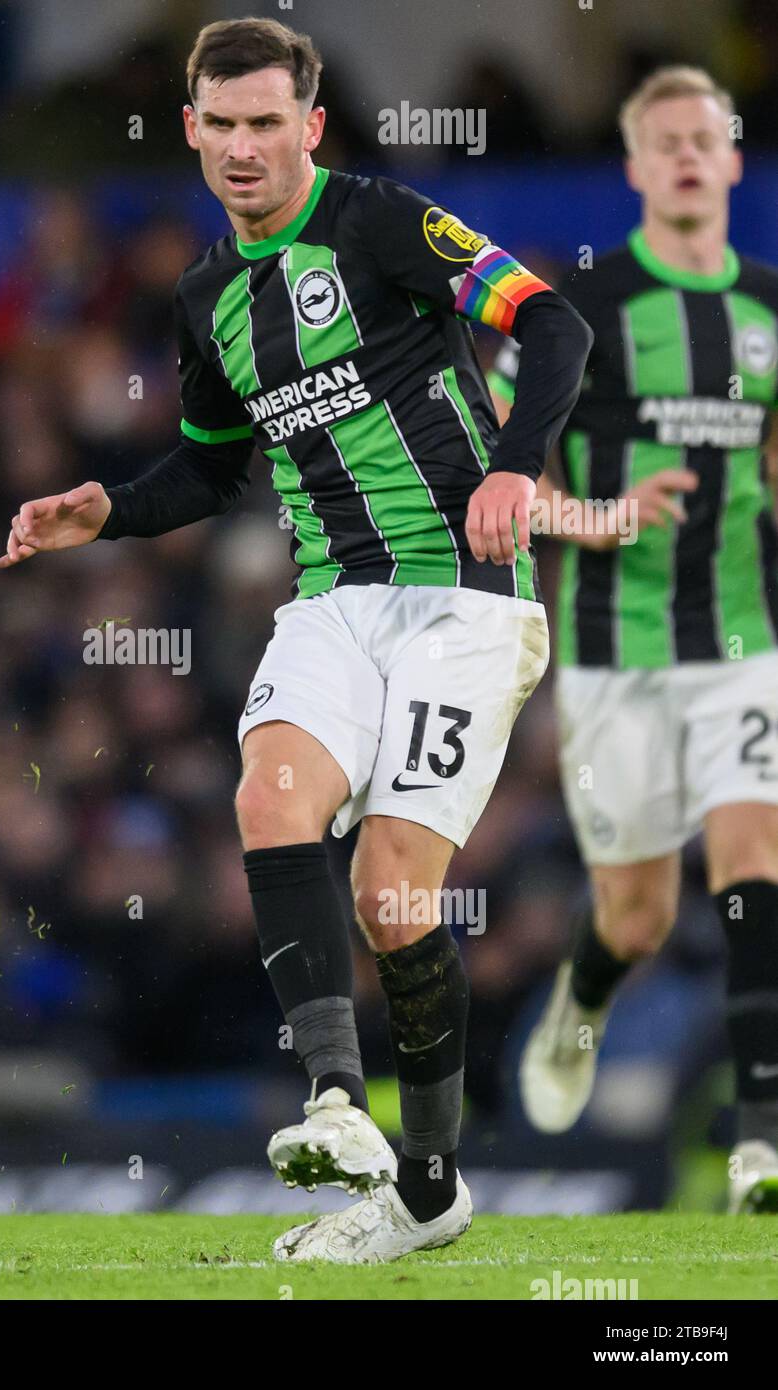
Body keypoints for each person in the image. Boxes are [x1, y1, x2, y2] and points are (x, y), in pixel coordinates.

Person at [0, 17, 590, 1262]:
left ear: (310, 127)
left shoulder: (379, 221)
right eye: (224, 126)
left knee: (389, 888)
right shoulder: (206, 297)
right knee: (271, 797)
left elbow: (554, 326)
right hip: (328, 599)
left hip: (462, 597)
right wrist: (102, 508)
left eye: (270, 123)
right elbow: (211, 470)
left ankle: (426, 1191)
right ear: (193, 134)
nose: (246, 148)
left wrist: (515, 470)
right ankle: (334, 1104)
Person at [493, 67, 778, 1214]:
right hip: (615, 649)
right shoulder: (584, 308)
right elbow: (505, 476)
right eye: (663, 142)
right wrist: (592, 516)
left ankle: (759, 1137)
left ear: (731, 159)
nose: (686, 157)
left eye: (703, 140)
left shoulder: (769, 303)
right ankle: (584, 998)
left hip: (743, 640)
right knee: (641, 914)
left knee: (753, 865)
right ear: (634, 167)